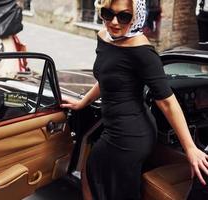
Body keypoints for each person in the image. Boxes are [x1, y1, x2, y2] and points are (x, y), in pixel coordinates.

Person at [61, 0, 208, 199]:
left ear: (137, 16)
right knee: (93, 173)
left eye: (124, 16)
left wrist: (190, 148)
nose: (113, 22)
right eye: (107, 13)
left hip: (131, 134)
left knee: (105, 181)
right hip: (113, 126)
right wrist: (83, 102)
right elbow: (106, 78)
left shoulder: (143, 52)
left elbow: (167, 101)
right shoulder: (104, 37)